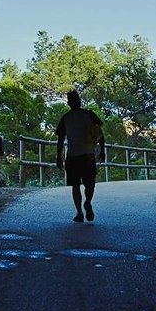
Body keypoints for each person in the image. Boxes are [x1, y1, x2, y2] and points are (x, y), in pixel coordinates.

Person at [54, 89, 106, 222]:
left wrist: (58, 156)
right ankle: (86, 203)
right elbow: (100, 133)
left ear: (68, 103)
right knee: (89, 184)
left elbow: (60, 140)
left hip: (73, 156)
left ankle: (80, 212)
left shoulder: (66, 118)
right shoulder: (89, 114)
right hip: (87, 155)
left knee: (75, 185)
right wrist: (102, 150)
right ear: (78, 100)